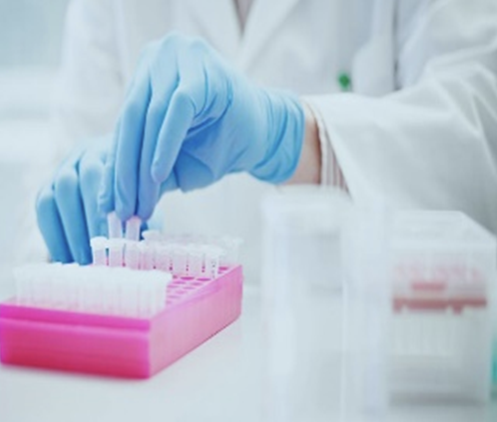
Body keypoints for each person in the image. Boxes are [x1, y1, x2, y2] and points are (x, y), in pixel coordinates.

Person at [36, 0, 497, 280]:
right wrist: (78, 206)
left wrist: (295, 137)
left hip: (359, 361)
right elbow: (54, 182)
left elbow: (477, 133)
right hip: (169, 380)